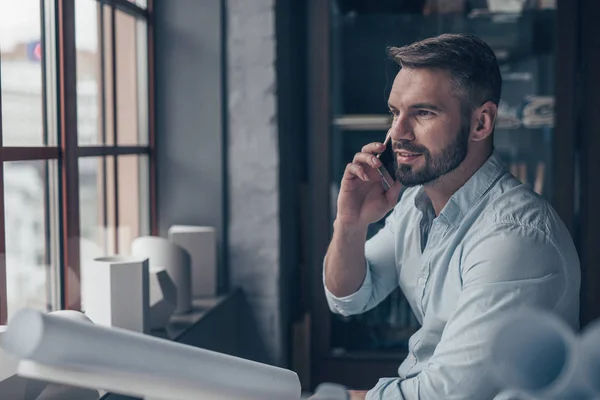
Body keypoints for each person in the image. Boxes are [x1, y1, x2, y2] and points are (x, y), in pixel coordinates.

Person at [322, 33, 580, 400]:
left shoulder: (515, 238)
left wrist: (345, 398)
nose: (398, 134)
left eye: (423, 112)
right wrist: (350, 222)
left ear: (481, 123)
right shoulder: (414, 206)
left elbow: (446, 396)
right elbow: (346, 297)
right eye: (395, 112)